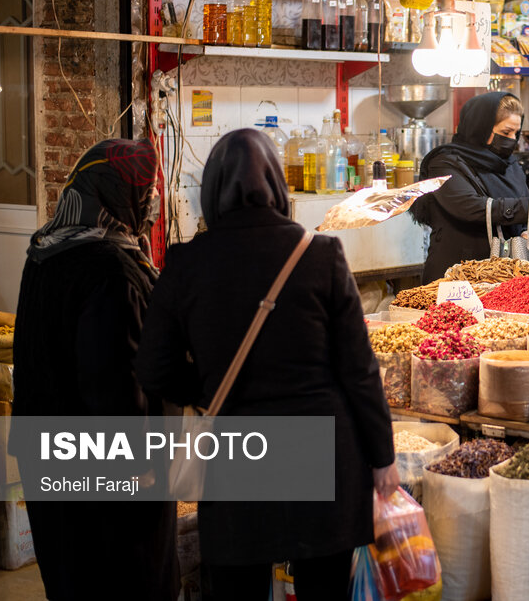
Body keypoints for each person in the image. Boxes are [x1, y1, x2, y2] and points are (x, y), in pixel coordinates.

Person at [135, 129, 399, 601]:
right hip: (323, 449)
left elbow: (154, 368)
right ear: (277, 184)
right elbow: (359, 369)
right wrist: (382, 457)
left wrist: (209, 390)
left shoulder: (186, 263)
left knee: (238, 588)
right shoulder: (320, 253)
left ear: (212, 191)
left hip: (240, 450)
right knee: (324, 589)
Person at [11, 139, 180, 601]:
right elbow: (116, 389)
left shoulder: (45, 251)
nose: (150, 204)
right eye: (144, 193)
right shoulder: (111, 271)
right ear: (116, 194)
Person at [411, 92, 529, 283]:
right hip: (457, 276)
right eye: (506, 133)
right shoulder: (444, 163)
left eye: (516, 133)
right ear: (480, 127)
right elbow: (470, 207)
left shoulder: (509, 165)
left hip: (501, 277)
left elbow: (524, 205)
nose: (512, 139)